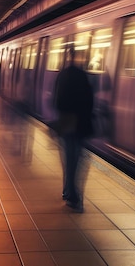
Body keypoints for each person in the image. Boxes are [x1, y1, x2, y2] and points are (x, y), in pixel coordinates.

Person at [52, 46, 94, 212]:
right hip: (79, 124)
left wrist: (63, 115)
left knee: (68, 159)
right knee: (76, 160)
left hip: (66, 122)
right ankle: (73, 196)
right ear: (78, 58)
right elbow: (89, 102)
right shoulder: (82, 76)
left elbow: (56, 100)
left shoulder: (62, 74)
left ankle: (67, 191)